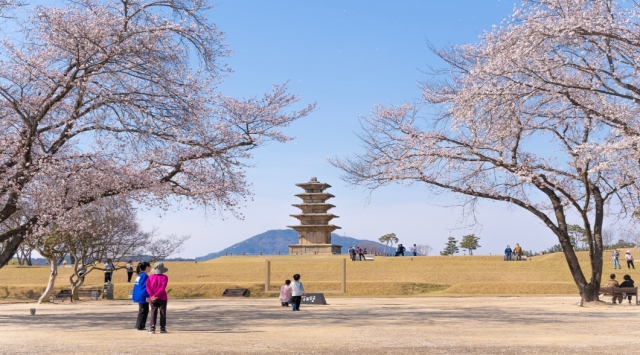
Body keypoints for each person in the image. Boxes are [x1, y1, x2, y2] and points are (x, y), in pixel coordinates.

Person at [146, 262, 169, 333]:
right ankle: (162, 328)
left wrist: (153, 295)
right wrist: (157, 295)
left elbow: (148, 287)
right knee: (163, 313)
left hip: (152, 298)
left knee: (153, 312)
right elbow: (163, 287)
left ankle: (152, 327)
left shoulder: (150, 277)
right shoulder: (164, 277)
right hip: (162, 297)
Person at [132, 261, 151, 331]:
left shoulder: (139, 275)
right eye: (149, 267)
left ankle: (139, 325)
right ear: (147, 267)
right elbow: (144, 287)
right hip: (142, 296)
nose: (150, 268)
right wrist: (147, 295)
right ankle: (140, 326)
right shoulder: (144, 276)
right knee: (144, 311)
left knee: (142, 310)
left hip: (138, 295)